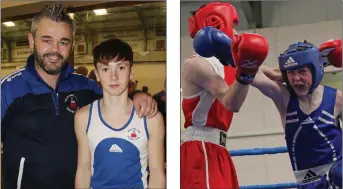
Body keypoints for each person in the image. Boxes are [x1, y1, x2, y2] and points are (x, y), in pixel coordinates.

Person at [1, 3, 157, 189]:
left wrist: (137, 94)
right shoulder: (8, 89)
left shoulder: (84, 86)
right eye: (47, 40)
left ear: (72, 45)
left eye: (63, 42)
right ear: (31, 41)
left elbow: (115, 92)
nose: (55, 49)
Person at [181, 2, 269, 188]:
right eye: (233, 26)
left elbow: (275, 76)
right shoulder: (197, 64)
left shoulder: (233, 63)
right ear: (216, 23)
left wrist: (315, 60)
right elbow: (231, 103)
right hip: (200, 150)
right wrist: (245, 70)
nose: (236, 33)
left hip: (218, 149)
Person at [74, 39, 166, 189]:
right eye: (105, 69)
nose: (113, 77)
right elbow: (83, 170)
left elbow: (157, 173)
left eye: (121, 68)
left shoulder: (151, 119)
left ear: (131, 71)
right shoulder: (83, 117)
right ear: (97, 74)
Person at [251, 40, 342, 188]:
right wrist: (234, 48)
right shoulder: (284, 98)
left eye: (302, 71)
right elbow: (250, 71)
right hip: (308, 183)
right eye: (291, 73)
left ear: (315, 71)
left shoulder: (337, 99)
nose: (296, 78)